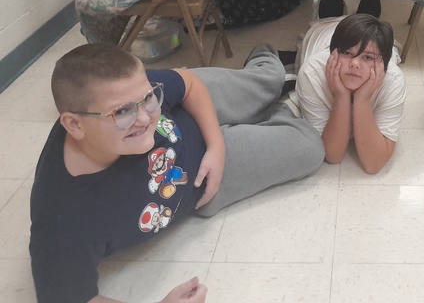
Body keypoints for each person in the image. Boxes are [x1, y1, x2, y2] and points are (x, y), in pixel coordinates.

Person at [29, 42, 324, 303]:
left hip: (200, 117)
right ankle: (272, 111)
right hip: (201, 181)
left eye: (148, 98)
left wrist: (216, 145)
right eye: (122, 112)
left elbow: (189, 83)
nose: (145, 118)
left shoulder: (128, 91)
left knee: (269, 79)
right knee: (310, 147)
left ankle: (263, 56)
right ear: (75, 125)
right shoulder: (63, 221)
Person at [294, 14, 406, 174]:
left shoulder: (393, 80)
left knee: (370, 18)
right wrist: (342, 96)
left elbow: (374, 163)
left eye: (367, 57)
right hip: (321, 31)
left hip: (353, 34)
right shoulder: (312, 74)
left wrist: (362, 99)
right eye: (346, 53)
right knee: (330, 9)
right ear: (333, 53)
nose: (354, 64)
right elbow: (333, 155)